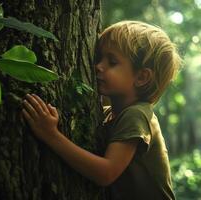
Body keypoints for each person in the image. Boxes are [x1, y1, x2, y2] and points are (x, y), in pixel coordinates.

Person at [21, 20, 182, 200]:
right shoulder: (108, 114)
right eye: (99, 58)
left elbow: (106, 173)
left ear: (142, 77)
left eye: (112, 62)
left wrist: (51, 135)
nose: (98, 66)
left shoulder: (136, 115)